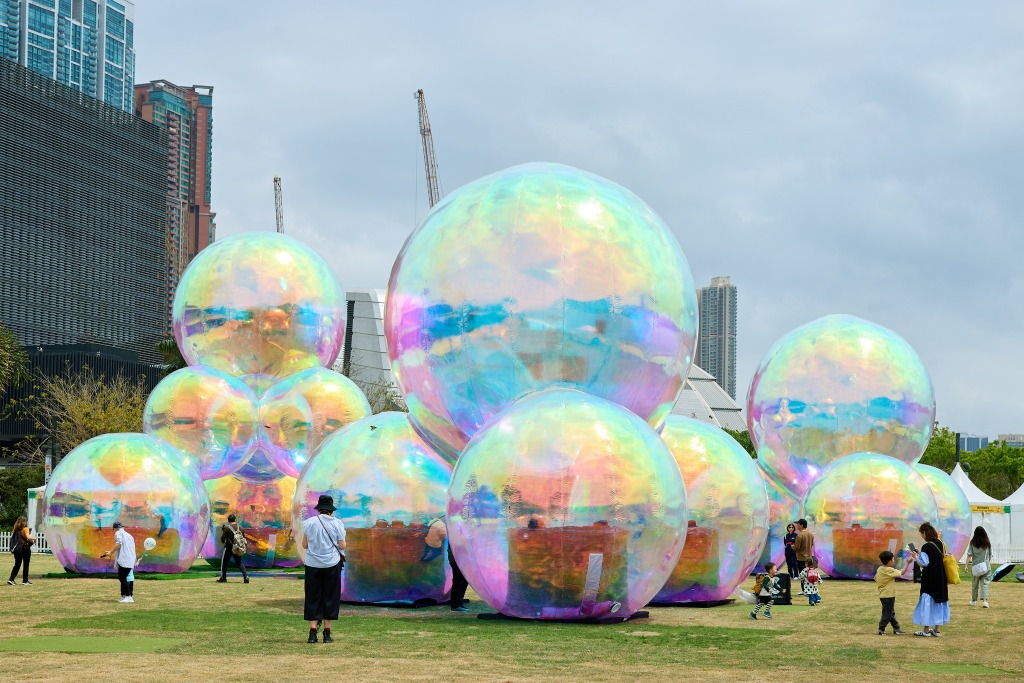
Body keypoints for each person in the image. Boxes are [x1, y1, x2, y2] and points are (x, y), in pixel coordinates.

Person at [301, 495, 345, 644]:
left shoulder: (309, 523)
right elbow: (342, 545)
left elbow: (304, 545)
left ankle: (312, 633)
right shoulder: (337, 523)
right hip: (331, 564)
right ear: (331, 509)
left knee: (313, 596)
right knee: (330, 597)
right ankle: (327, 633)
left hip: (312, 564)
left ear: (319, 508)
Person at [910, 522, 950, 637]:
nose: (922, 536)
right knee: (939, 600)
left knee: (928, 601)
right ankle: (937, 630)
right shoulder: (940, 543)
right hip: (940, 576)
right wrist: (920, 553)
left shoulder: (926, 546)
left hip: (930, 578)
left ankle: (926, 630)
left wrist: (915, 556)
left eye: (921, 534)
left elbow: (924, 563)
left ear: (924, 533)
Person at [875, 550, 913, 635]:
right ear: (889, 561)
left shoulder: (880, 569)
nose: (894, 560)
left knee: (890, 612)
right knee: (887, 613)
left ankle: (896, 628)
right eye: (893, 559)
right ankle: (881, 629)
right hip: (888, 595)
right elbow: (902, 573)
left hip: (883, 595)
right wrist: (907, 563)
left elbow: (876, 578)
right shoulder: (889, 570)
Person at [100, 521, 137, 603]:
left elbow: (119, 544)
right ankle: (124, 595)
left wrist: (111, 552)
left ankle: (128, 596)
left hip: (125, 559)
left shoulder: (118, 533)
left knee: (123, 577)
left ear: (114, 528)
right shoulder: (129, 535)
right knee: (122, 577)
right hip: (130, 558)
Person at [965, 526, 992, 608]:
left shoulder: (972, 542)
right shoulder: (987, 542)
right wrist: (987, 562)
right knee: (984, 584)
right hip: (986, 566)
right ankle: (985, 601)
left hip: (976, 566)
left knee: (975, 584)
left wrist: (966, 565)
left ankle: (974, 601)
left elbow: (969, 555)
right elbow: (989, 555)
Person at [217, 514, 249, 584]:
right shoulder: (241, 528)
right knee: (239, 562)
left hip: (228, 548)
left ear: (228, 520)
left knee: (224, 562)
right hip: (237, 548)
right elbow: (243, 538)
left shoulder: (227, 528)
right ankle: (245, 576)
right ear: (235, 519)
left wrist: (223, 531)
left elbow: (222, 539)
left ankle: (223, 578)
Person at [7, 517, 35, 586]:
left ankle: (11, 579)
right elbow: (28, 537)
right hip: (25, 548)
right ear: (24, 522)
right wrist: (35, 538)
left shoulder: (16, 530)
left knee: (17, 564)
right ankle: (25, 580)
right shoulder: (25, 529)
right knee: (26, 564)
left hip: (17, 549)